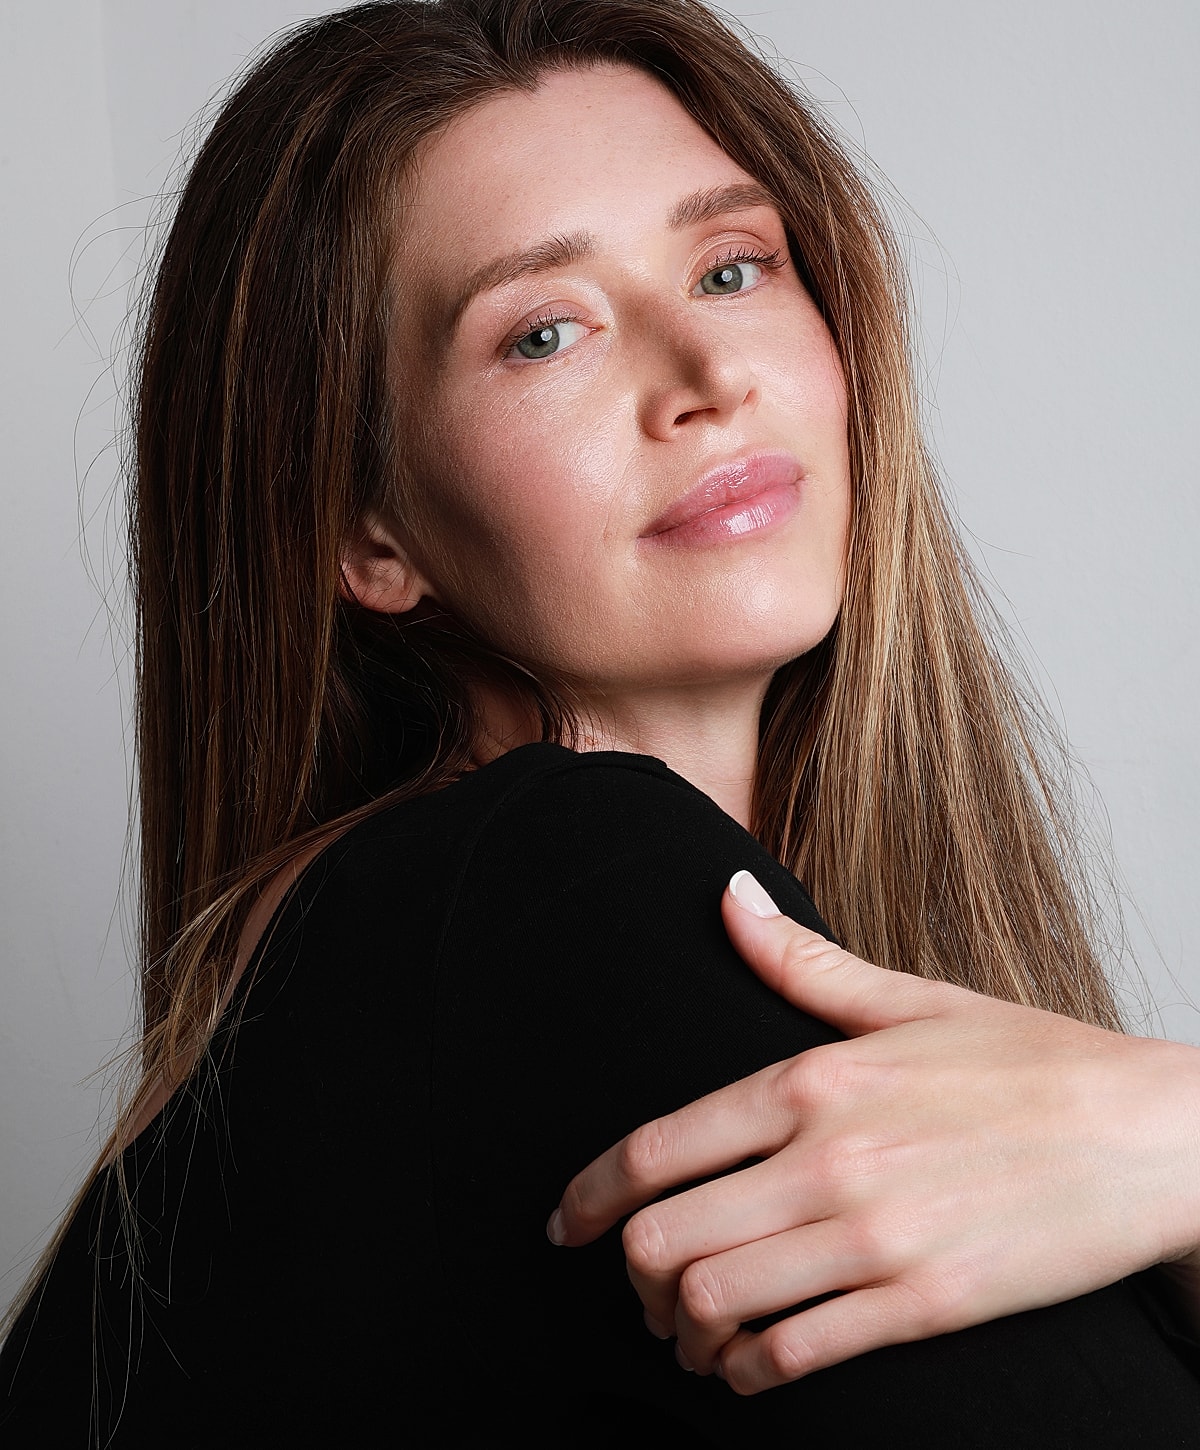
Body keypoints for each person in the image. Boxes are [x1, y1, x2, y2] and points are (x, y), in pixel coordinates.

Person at [2, 0, 1199, 1443]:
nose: (707, 379)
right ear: (368, 530)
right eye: (545, 332)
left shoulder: (474, 929)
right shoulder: (532, 889)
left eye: (733, 265)